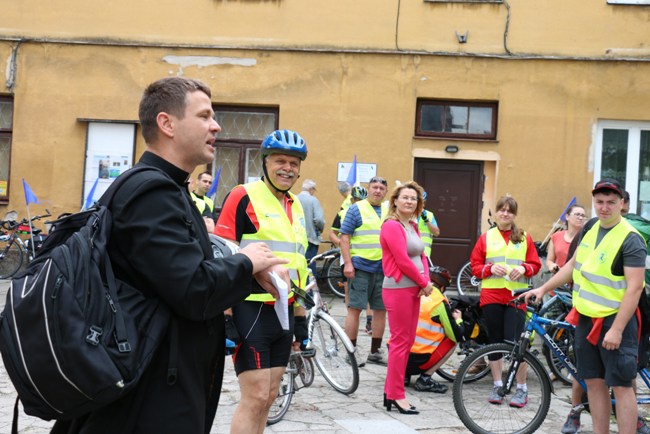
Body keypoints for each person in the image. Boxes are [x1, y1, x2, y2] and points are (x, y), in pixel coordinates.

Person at [50, 77, 286, 434]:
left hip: (158, 379)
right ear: (167, 123)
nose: (216, 125)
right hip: (148, 393)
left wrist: (240, 268)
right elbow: (194, 290)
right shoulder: (151, 191)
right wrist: (247, 261)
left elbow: (174, 274)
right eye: (205, 115)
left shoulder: (167, 188)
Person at [524, 179, 647, 434]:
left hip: (615, 322)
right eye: (599, 202)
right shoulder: (590, 227)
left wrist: (617, 329)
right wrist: (543, 288)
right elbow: (571, 267)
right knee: (593, 383)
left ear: (621, 204)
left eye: (611, 202)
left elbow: (635, 288)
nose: (604, 207)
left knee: (623, 386)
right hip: (586, 318)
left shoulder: (630, 239)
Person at [215, 129, 310, 434]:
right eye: (280, 161)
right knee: (254, 397)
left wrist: (301, 320)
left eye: (294, 163)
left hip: (283, 310)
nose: (288, 168)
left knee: (270, 397)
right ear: (265, 162)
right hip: (249, 307)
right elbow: (222, 253)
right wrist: (226, 316)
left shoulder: (296, 204)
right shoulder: (243, 195)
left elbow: (298, 264)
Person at [470, 195, 541, 408]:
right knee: (495, 342)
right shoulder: (486, 237)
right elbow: (475, 266)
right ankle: (498, 385)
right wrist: (489, 269)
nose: (505, 213)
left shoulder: (523, 237)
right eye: (502, 209)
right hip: (491, 295)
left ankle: (521, 389)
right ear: (496, 212)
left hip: (516, 296)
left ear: (514, 215)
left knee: (517, 342)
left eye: (510, 211)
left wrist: (523, 268)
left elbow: (535, 264)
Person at [380, 181, 434, 414]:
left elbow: (422, 256)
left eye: (414, 198)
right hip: (398, 288)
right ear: (395, 201)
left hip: (414, 288)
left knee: (406, 342)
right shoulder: (392, 226)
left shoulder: (412, 225)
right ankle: (395, 395)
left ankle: (390, 390)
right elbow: (402, 260)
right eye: (405, 197)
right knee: (400, 343)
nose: (410, 201)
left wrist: (426, 281)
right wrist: (423, 282)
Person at [340, 176, 389, 365]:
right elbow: (345, 237)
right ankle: (351, 352)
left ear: (385, 192)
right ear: (368, 189)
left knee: (380, 310)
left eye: (381, 188)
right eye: (374, 187)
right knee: (355, 309)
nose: (378, 191)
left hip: (383, 268)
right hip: (360, 267)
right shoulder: (356, 208)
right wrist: (348, 263)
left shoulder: (388, 210)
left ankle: (375, 352)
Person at [405, 267, 463, 395]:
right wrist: (458, 320)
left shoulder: (410, 292)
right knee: (451, 342)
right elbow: (456, 335)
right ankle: (425, 379)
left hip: (398, 355)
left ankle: (403, 376)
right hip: (418, 359)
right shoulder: (438, 302)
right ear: (442, 288)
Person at [546, 204, 587, 275]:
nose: (580, 218)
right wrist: (552, 265)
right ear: (567, 217)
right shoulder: (556, 236)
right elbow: (549, 260)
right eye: (577, 214)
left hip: (577, 280)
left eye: (583, 216)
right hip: (558, 280)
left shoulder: (587, 238)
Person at [297, 179, 325, 276]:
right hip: (310, 238)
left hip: (295, 238)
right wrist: (321, 229)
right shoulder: (313, 200)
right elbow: (319, 220)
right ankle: (310, 289)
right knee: (309, 263)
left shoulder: (294, 198)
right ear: (311, 189)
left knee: (298, 263)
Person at [418, 191, 441, 258]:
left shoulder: (429, 215)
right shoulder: (408, 214)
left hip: (424, 254)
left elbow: (436, 233)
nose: (420, 205)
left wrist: (426, 220)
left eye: (422, 202)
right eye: (419, 202)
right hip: (409, 253)